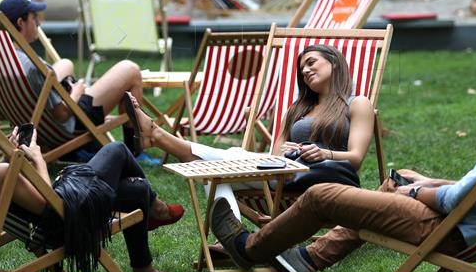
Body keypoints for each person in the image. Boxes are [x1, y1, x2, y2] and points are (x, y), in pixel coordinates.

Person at [208, 62, 476, 272]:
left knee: (321, 196)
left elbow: (454, 201)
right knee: (401, 178)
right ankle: (309, 259)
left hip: (447, 230)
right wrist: (422, 184)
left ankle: (250, 248)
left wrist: (415, 195)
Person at [121, 45, 375, 221]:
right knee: (214, 176)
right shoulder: (298, 109)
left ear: (334, 61)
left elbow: (356, 158)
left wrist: (324, 153)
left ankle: (157, 136)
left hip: (325, 179)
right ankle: (235, 239)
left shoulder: (356, 103)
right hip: (283, 176)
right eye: (301, 69)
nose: (305, 71)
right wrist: (287, 151)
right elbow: (275, 157)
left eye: (311, 63)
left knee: (223, 164)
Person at [0, 105, 183, 272]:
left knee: (137, 190)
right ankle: (156, 208)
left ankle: (143, 270)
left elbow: (16, 192)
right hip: (66, 219)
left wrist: (11, 156)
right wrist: (38, 158)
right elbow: (48, 206)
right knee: (117, 150)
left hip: (62, 212)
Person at [0, 0, 148, 162]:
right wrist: (76, 93)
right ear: (20, 23)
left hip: (38, 126)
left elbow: (1, 114)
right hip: (69, 126)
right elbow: (62, 115)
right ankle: (135, 151)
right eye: (34, 17)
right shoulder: (31, 65)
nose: (38, 23)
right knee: (130, 70)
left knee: (65, 64)